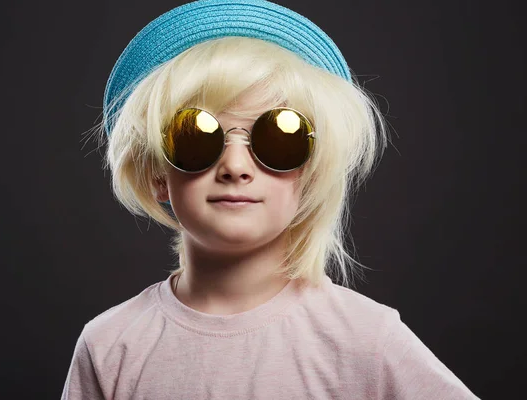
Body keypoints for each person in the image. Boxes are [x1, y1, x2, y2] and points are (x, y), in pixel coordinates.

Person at [61, 0, 479, 398]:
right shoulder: (110, 346)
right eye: (194, 137)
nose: (236, 166)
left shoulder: (365, 339)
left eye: (280, 138)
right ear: (157, 175)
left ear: (312, 174)